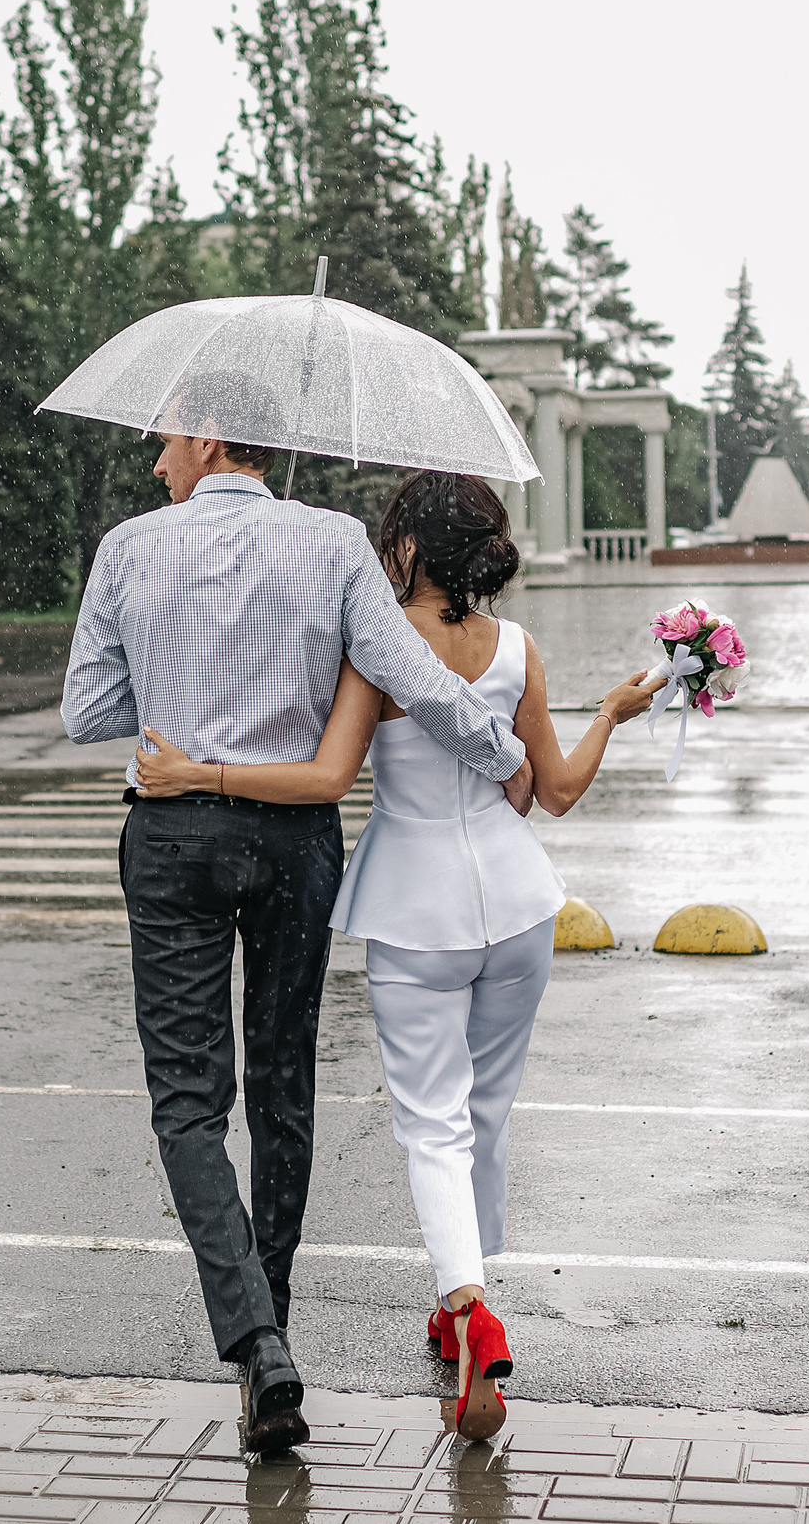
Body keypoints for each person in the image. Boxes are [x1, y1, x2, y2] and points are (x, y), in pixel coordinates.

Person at [134, 469, 656, 1442]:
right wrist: (611, 714)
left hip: (415, 913)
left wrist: (201, 766)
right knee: (484, 1113)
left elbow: (323, 771)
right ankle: (458, 1292)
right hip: (519, 909)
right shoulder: (518, 648)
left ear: (407, 549)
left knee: (431, 1125)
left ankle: (468, 1305)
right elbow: (552, 793)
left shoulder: (373, 650)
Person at [61, 391, 534, 1457]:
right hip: (293, 840)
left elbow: (85, 711)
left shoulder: (130, 550)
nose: (155, 466)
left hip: (174, 835)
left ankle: (257, 1342)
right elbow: (413, 675)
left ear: (215, 438)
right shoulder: (330, 544)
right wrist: (507, 758)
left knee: (188, 1102)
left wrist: (173, 661)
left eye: (167, 441)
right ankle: (268, 1323)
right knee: (282, 1086)